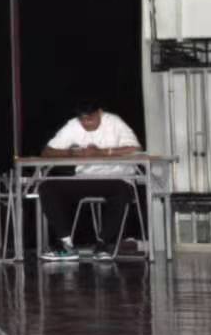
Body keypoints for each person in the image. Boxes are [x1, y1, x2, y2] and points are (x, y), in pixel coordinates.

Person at [37, 101, 144, 263]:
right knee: (47, 187)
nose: (86, 123)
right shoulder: (73, 125)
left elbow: (135, 149)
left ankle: (103, 245)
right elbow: (47, 152)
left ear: (100, 113)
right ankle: (66, 244)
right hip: (86, 177)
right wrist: (73, 153)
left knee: (121, 191)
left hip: (117, 178)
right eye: (82, 119)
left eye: (90, 119)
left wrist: (102, 152)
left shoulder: (114, 122)